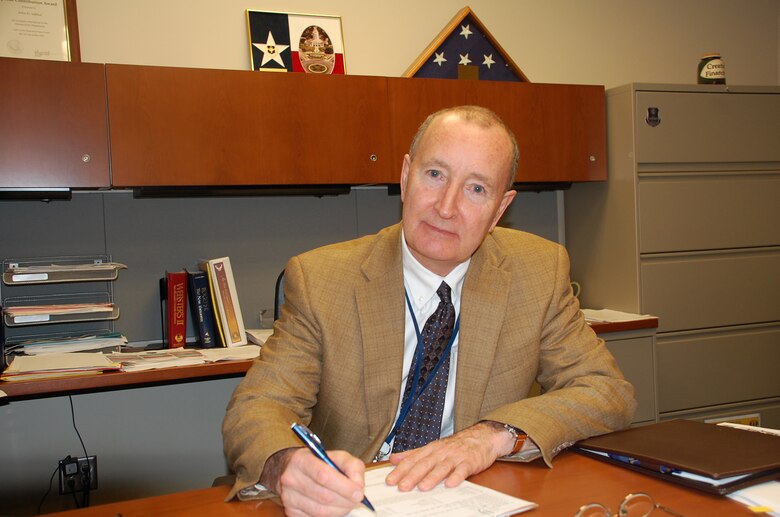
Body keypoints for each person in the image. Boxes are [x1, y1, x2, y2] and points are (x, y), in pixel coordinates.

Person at [223, 105, 636, 516]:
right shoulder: (321, 279)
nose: (445, 206)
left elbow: (606, 391)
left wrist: (495, 435)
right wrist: (286, 464)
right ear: (406, 177)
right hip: (354, 502)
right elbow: (259, 405)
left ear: (500, 209)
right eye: (435, 175)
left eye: (476, 189)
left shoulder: (538, 272)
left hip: (474, 497)